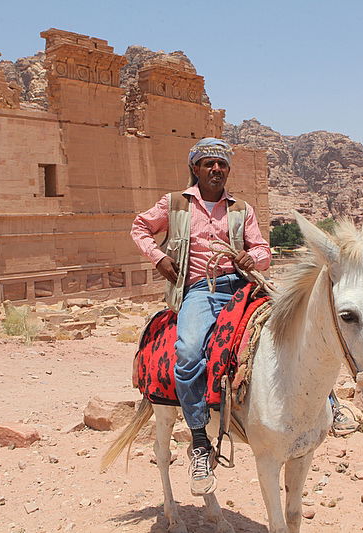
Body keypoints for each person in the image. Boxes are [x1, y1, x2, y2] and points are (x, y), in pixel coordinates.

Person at [131, 138, 270, 496]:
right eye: (208, 164)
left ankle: (328, 404)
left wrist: (253, 260)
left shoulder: (242, 209)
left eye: (222, 164)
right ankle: (199, 441)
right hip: (200, 290)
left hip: (241, 286)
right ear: (195, 168)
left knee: (296, 324)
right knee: (190, 353)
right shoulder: (176, 204)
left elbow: (261, 248)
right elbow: (140, 228)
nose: (216, 170)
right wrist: (159, 259)